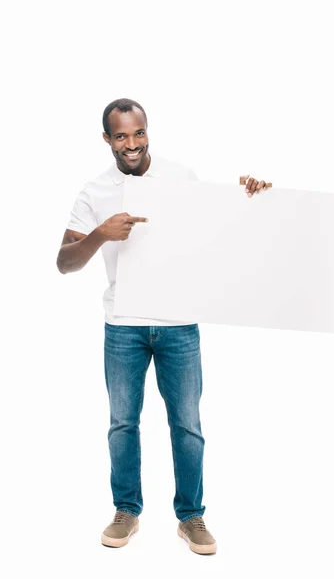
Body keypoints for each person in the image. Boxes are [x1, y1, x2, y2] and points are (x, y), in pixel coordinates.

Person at [56, 98, 272, 555]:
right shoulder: (93, 192)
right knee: (122, 424)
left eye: (138, 133)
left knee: (188, 425)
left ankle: (191, 518)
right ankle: (127, 510)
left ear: (148, 131)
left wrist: (249, 197)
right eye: (120, 136)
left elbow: (219, 231)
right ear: (106, 139)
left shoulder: (180, 178)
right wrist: (101, 234)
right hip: (123, 326)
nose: (131, 144)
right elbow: (63, 263)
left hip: (178, 324)